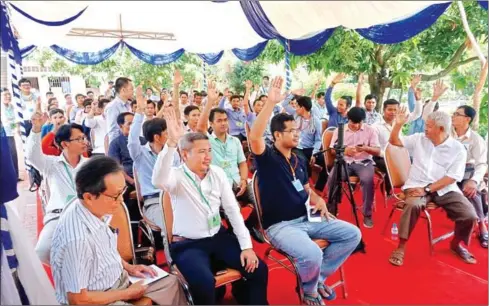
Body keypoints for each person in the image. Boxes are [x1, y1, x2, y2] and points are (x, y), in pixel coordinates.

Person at [249, 76, 361, 305]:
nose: (297, 133)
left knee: (353, 235)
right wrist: (270, 103)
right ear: (278, 135)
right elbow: (254, 136)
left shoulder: (299, 159)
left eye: (296, 129)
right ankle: (309, 290)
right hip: (281, 226)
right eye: (291, 130)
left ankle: (315, 278)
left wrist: (318, 199)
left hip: (307, 218)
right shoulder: (268, 158)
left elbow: (308, 188)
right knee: (312, 254)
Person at [152, 107, 269, 305]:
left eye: (209, 151)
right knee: (204, 283)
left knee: (258, 268)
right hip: (187, 245)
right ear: (185, 155)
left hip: (218, 236)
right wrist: (171, 142)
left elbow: (233, 211)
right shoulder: (176, 177)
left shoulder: (217, 173)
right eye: (201, 152)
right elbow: (158, 180)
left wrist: (247, 247)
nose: (208, 156)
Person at [50, 156, 187, 305]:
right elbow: (78, 300)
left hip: (118, 279)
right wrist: (127, 294)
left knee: (171, 283)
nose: (121, 200)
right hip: (97, 298)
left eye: (123, 192)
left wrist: (129, 267)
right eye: (115, 196)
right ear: (89, 197)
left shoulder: (94, 209)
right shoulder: (77, 240)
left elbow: (104, 252)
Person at [388, 109, 478, 266]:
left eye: (429, 126)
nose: (425, 129)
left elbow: (452, 177)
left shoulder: (457, 149)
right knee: (413, 205)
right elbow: (394, 141)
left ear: (441, 128)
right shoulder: (419, 139)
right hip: (416, 184)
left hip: (444, 188)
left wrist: (428, 189)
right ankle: (401, 246)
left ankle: (456, 243)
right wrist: (398, 125)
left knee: (469, 215)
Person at [26, 112, 89, 264]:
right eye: (79, 139)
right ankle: (64, 272)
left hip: (86, 215)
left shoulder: (90, 165)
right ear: (64, 144)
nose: (84, 142)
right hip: (58, 217)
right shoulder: (51, 164)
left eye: (84, 138)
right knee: (42, 251)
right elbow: (32, 156)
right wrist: (36, 129)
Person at [327, 107, 380, 228]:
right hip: (344, 162)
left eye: (359, 122)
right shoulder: (340, 130)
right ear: (348, 119)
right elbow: (331, 149)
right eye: (353, 122)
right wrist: (344, 150)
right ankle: (331, 209)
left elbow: (377, 151)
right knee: (333, 177)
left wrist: (366, 148)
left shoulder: (370, 130)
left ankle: (367, 214)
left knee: (367, 180)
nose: (356, 125)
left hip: (363, 162)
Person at [128, 86, 169, 229]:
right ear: (157, 137)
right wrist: (139, 111)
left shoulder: (172, 153)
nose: (169, 135)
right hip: (154, 201)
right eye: (166, 132)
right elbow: (132, 141)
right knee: (170, 226)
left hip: (176, 198)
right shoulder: (140, 155)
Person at [451, 105, 488, 248]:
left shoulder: (476, 139)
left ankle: (481, 225)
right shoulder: (447, 133)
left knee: (472, 189)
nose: (453, 116)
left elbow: (482, 164)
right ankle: (480, 223)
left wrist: (473, 180)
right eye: (454, 113)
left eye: (457, 114)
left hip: (466, 172)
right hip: (446, 172)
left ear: (467, 119)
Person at [372, 98, 422, 195]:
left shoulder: (399, 121)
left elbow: (416, 114)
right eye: (390, 110)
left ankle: (411, 190)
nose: (393, 112)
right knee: (392, 166)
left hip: (401, 155)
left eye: (395, 110)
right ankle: (388, 191)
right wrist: (391, 156)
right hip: (381, 157)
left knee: (417, 163)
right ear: (384, 110)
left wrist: (418, 99)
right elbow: (375, 148)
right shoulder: (375, 127)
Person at [108, 112, 146, 220]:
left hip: (145, 177)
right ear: (121, 126)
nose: (133, 127)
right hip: (127, 180)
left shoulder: (143, 140)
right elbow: (115, 167)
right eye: (129, 123)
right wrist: (132, 181)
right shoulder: (115, 143)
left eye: (134, 123)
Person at [105, 77, 134, 144]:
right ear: (123, 90)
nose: (133, 91)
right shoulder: (113, 106)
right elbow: (113, 131)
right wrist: (117, 148)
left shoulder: (129, 104)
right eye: (131, 89)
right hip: (121, 145)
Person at [1, 90, 20, 180]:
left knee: (13, 154)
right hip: (3, 134)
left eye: (9, 94)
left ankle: (15, 176)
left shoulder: (12, 107)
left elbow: (13, 121)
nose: (8, 96)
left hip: (10, 133)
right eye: (5, 95)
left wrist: (16, 128)